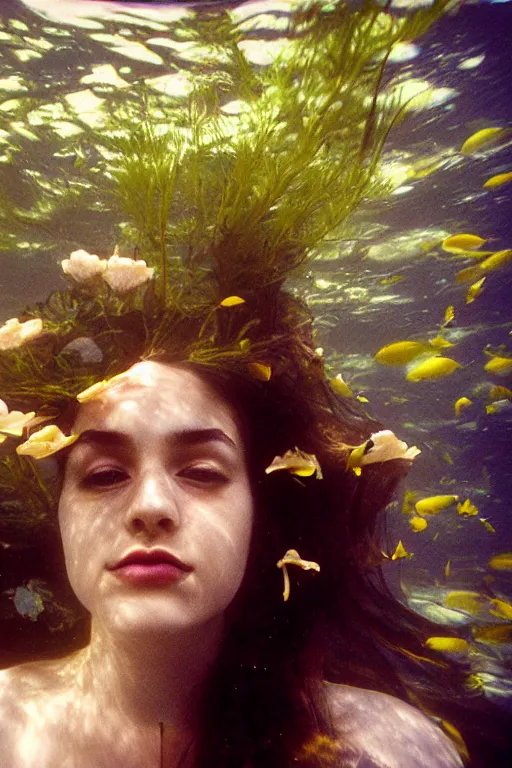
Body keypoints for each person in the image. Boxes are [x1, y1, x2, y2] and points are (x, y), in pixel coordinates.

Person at [0, 299, 465, 766]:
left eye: (201, 471)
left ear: (259, 514)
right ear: (59, 515)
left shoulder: (394, 750)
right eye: (104, 475)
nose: (151, 507)